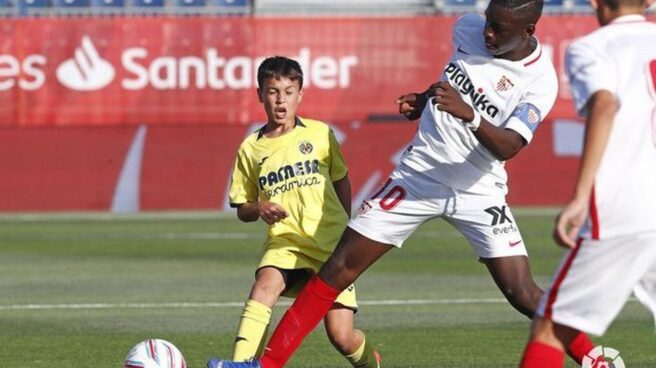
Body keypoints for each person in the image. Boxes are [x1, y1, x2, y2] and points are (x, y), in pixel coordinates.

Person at [207, 0, 595, 367]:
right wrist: (425, 100)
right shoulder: (468, 28)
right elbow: (451, 81)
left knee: (521, 292)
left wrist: (469, 115)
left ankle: (595, 358)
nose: (488, 33)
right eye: (488, 21)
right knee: (338, 267)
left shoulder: (540, 80)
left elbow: (509, 146)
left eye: (499, 29)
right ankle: (265, 364)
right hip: (417, 177)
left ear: (528, 30)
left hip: (477, 188)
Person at [214, 56, 381, 368]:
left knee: (341, 336)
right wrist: (258, 207)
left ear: (300, 95)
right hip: (285, 243)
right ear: (260, 94)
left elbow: (341, 179)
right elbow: (242, 209)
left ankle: (374, 363)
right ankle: (240, 364)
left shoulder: (320, 134)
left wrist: (344, 226)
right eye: (273, 91)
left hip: (329, 245)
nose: (281, 100)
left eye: (289, 92)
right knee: (265, 285)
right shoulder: (250, 148)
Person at [519, 0, 656, 366]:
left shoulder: (592, 48)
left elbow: (604, 104)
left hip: (627, 209)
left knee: (550, 329)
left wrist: (580, 197)